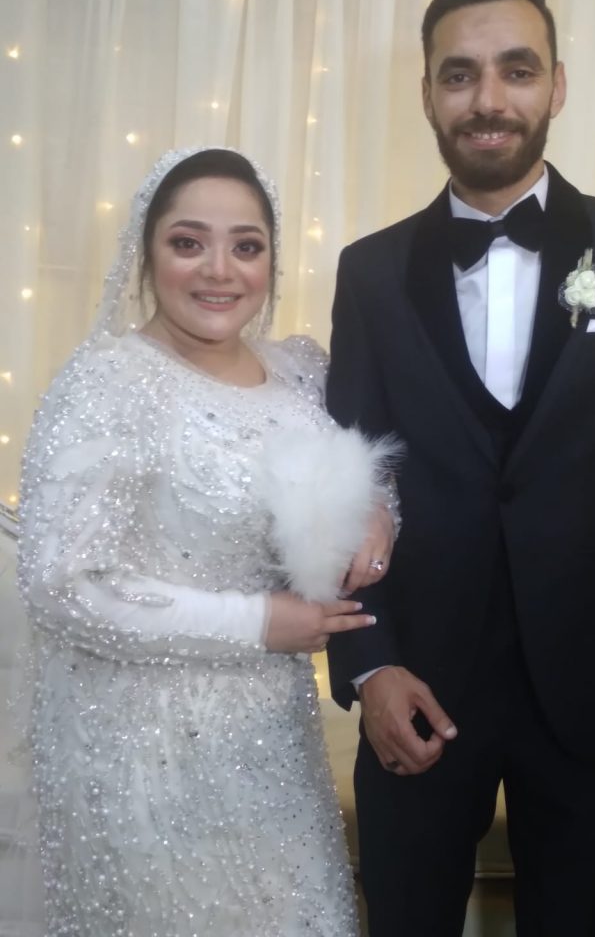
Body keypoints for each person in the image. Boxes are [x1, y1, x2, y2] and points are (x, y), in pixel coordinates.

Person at [325, 0, 595, 937]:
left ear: (558, 85)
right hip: (419, 688)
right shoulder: (369, 272)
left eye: (516, 69)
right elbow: (343, 490)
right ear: (427, 93)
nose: (488, 99)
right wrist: (370, 666)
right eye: (459, 74)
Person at [16, 146, 396, 937]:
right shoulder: (107, 385)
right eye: (188, 242)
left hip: (272, 747)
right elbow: (61, 587)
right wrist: (256, 622)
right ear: (147, 253)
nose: (219, 270)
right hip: (145, 760)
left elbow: (363, 468)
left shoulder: (299, 372)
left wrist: (377, 511)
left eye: (246, 246)